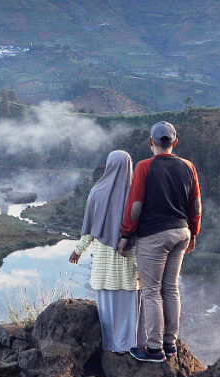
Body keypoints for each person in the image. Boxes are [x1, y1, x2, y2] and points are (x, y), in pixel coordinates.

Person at [118, 121, 201, 362]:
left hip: (154, 237)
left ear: (151, 142)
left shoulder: (145, 167)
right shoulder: (188, 167)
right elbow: (195, 205)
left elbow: (135, 207)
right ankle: (170, 345)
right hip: (181, 233)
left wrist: (125, 235)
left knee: (152, 291)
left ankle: (154, 349)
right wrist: (194, 233)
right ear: (174, 142)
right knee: (171, 289)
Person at [69, 150, 140, 353]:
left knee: (107, 304)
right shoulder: (137, 194)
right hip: (128, 258)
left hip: (103, 261)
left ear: (109, 166)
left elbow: (90, 229)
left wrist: (78, 250)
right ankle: (128, 344)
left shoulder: (97, 192)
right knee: (128, 305)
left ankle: (109, 346)